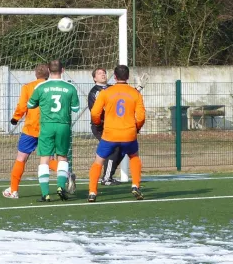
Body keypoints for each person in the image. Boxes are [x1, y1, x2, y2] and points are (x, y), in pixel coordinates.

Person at [2, 64, 70, 198]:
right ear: (48, 73)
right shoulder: (54, 87)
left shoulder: (28, 87)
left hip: (31, 128)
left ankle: (13, 190)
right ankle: (65, 173)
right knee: (47, 159)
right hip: (49, 127)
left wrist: (15, 118)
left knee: (21, 158)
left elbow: (22, 106)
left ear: (35, 74)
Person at [88, 65, 145, 202]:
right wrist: (136, 128)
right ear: (128, 77)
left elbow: (95, 113)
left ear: (114, 76)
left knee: (98, 161)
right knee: (134, 157)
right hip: (129, 134)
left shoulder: (106, 92)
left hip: (110, 134)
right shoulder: (134, 93)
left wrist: (97, 123)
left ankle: (92, 192)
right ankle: (135, 185)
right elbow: (141, 117)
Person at [27, 60, 80, 202]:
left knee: (44, 158)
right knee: (62, 157)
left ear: (48, 71)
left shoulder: (41, 86)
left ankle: (45, 194)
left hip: (47, 125)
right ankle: (60, 187)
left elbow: (30, 104)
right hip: (63, 125)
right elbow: (75, 108)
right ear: (63, 70)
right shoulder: (70, 87)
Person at [88, 67, 121, 186]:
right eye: (99, 73)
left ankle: (108, 176)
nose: (103, 75)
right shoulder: (94, 92)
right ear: (94, 78)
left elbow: (126, 96)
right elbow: (95, 111)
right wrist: (102, 122)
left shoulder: (113, 88)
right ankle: (106, 178)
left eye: (104, 73)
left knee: (120, 149)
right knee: (111, 149)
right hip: (100, 127)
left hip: (114, 126)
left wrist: (138, 88)